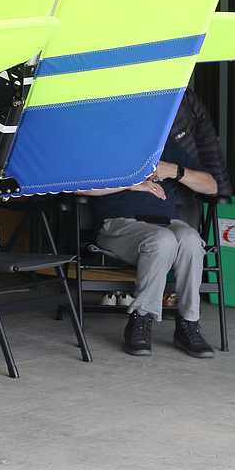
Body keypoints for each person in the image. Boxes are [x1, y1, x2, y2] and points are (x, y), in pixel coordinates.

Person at [80, 95, 223, 358]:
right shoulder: (102, 144)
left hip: (166, 223)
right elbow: (81, 187)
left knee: (191, 239)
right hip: (119, 225)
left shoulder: (163, 147)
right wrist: (132, 182)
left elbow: (212, 187)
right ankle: (140, 319)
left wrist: (174, 171)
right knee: (162, 240)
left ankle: (188, 323)